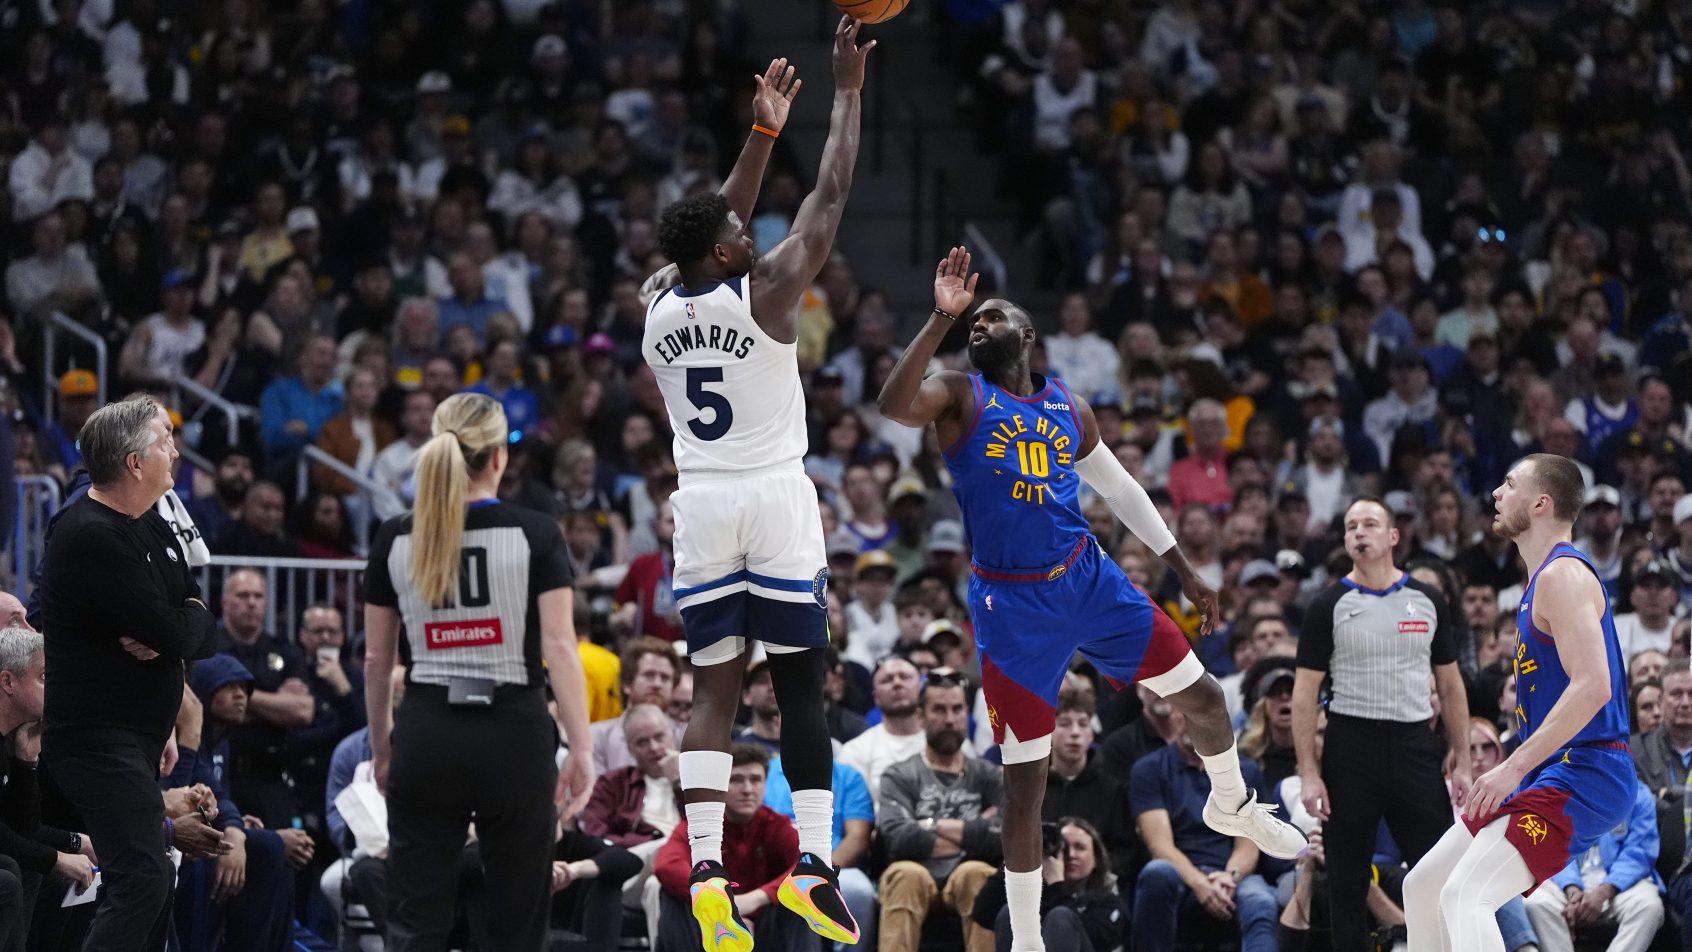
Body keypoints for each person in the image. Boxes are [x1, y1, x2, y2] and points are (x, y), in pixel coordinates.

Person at [876, 247, 1305, 952]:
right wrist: (937, 320)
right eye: (972, 322)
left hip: (1089, 577)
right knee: (1025, 782)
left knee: (1203, 699)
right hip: (1011, 606)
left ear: (1026, 333)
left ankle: (1232, 803)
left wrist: (1185, 568)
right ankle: (1025, 939)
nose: (979, 325)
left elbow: (1123, 491)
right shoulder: (958, 393)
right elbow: (894, 405)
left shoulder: (1069, 407)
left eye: (990, 316)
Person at [644, 35, 872, 949]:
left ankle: (702, 868)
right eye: (742, 232)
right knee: (802, 690)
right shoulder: (770, 292)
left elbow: (712, 222)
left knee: (714, 694)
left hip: (699, 502)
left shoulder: (661, 300)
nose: (753, 230)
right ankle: (814, 869)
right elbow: (833, 197)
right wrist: (847, 94)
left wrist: (760, 134)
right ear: (726, 250)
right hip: (774, 496)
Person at [361, 392, 595, 951]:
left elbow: (375, 661)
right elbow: (562, 648)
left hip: (428, 727)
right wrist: (582, 748)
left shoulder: (394, 536)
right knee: (518, 923)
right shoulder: (536, 533)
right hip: (513, 730)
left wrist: (383, 748)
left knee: (415, 921)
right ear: (498, 458)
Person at [1404, 454, 1636, 949]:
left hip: (1587, 769)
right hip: (1550, 767)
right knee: (1421, 887)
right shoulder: (1540, 581)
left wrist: (1512, 767)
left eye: (1509, 484)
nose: (1496, 494)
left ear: (1541, 503)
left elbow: (1595, 686)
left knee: (1466, 896)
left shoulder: (1563, 576)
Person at [36, 396, 219, 951]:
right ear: (135, 462)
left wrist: (180, 624)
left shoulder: (151, 524)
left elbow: (195, 623)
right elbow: (177, 629)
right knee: (142, 877)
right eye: (164, 438)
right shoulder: (90, 532)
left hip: (135, 738)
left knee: (152, 876)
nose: (175, 448)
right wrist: (179, 626)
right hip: (95, 739)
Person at [1291, 495, 1471, 950]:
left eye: (1369, 524)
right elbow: (1305, 693)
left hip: (1414, 743)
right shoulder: (1328, 604)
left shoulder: (1427, 600)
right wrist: (1309, 773)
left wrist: (1463, 759)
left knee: (1437, 870)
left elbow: (1450, 686)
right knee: (1347, 881)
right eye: (1351, 526)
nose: (1358, 532)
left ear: (1393, 536)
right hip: (1350, 745)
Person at [875, 669, 1002, 952]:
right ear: (920, 716)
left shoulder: (989, 775)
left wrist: (925, 824)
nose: (949, 719)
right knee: (906, 875)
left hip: (967, 875)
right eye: (939, 709)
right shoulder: (899, 775)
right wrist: (974, 831)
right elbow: (897, 838)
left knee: (977, 872)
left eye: (957, 709)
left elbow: (1002, 837)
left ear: (967, 713)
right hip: (916, 874)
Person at [652, 744, 818, 952]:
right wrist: (722, 900)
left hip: (767, 928)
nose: (748, 789)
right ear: (718, 785)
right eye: (736, 780)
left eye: (756, 780)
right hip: (712, 925)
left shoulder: (776, 825)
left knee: (802, 897)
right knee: (672, 895)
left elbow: (810, 865)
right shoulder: (699, 824)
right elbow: (666, 865)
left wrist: (758, 897)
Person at [1522, 779, 1663, 952]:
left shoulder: (1639, 793)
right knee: (1536, 903)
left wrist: (1604, 891)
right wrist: (1572, 889)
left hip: (1618, 885)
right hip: (1566, 882)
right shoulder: (1558, 790)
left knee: (1649, 906)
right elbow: (1553, 849)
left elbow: (1639, 854)